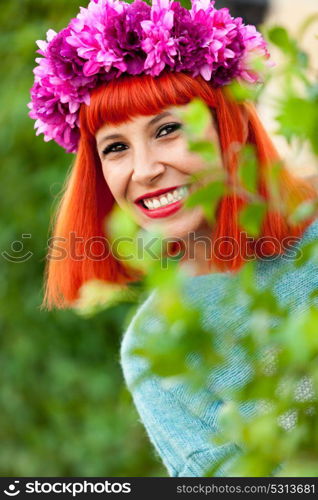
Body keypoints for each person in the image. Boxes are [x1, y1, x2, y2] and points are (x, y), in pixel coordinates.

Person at [29, 0, 318, 476]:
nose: (145, 170)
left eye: (167, 130)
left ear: (232, 128)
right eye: (116, 147)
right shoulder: (155, 345)